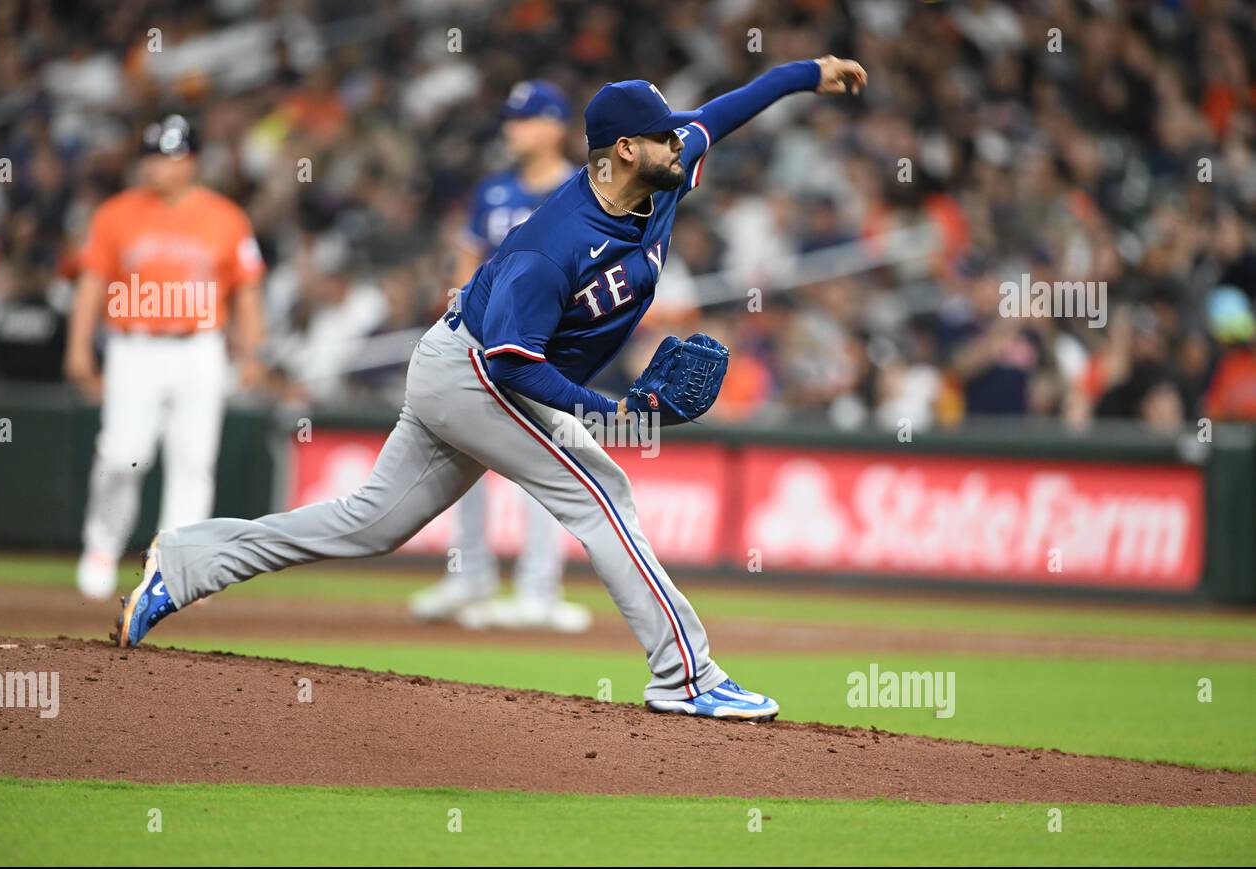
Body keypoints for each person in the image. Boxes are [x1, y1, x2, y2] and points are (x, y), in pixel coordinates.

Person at [116, 56, 868, 721]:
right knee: (601, 492)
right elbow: (511, 364)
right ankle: (687, 676)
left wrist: (809, 73)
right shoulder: (553, 245)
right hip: (475, 371)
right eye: (666, 135)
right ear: (627, 150)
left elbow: (727, 109)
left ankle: (185, 562)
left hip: (468, 369)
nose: (684, 141)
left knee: (366, 525)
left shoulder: (662, 174)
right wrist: (610, 416)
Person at [408, 80, 591, 634]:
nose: (512, 128)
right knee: (465, 456)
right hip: (483, 343)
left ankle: (540, 590)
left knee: (540, 465)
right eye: (510, 119)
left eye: (524, 119)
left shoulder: (582, 189)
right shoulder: (493, 191)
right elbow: (467, 260)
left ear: (555, 125)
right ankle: (472, 576)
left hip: (548, 352)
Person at [66, 115, 265, 600]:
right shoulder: (115, 213)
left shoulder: (226, 217)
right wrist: (78, 349)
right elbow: (91, 282)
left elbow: (246, 292)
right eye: (151, 155)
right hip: (135, 348)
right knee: (121, 455)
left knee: (193, 460)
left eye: (167, 156)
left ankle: (175, 566)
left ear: (191, 161)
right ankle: (101, 546)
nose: (156, 165)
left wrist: (251, 352)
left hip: (199, 349)